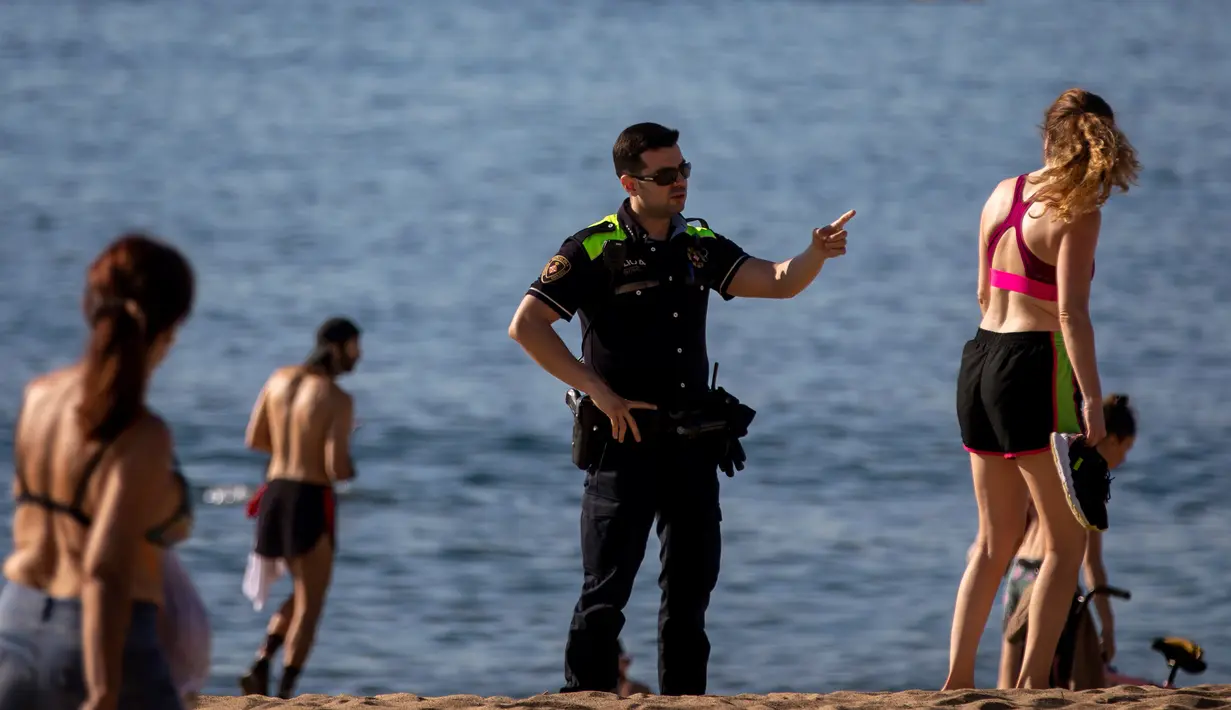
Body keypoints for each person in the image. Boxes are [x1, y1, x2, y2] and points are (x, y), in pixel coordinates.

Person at [508, 121, 855, 695]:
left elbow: (775, 281)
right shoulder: (592, 247)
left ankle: (685, 703)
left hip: (693, 444)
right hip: (623, 443)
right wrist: (596, 388)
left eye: (684, 170)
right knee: (605, 596)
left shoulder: (698, 240)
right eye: (665, 175)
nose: (680, 183)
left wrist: (814, 253)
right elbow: (528, 326)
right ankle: (585, 701)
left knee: (690, 598)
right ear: (630, 181)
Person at [946, 88, 1140, 690]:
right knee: (1066, 541)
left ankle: (955, 682)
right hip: (1034, 364)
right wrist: (1089, 401)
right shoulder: (1079, 211)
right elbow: (1072, 316)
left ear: (1047, 136)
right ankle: (1030, 687)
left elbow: (982, 293)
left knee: (992, 539)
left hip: (978, 361)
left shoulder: (1001, 193)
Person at [0, 233, 196, 710]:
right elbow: (105, 568)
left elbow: (25, 503)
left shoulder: (39, 396)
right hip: (101, 644)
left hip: (15, 622)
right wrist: (103, 688)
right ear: (168, 331)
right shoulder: (143, 435)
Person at [238, 317, 361, 699]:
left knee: (302, 590)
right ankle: (285, 691)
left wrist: (293, 446)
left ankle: (262, 661)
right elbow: (335, 468)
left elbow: (255, 439)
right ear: (339, 347)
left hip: (274, 493)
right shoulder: (337, 398)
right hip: (310, 497)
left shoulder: (278, 379)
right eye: (356, 347)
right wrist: (350, 461)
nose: (358, 357)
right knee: (312, 601)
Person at [997, 394, 1137, 689]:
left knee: (1008, 680)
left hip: (1019, 572)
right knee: (1068, 675)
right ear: (1112, 439)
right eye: (1126, 448)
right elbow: (1092, 563)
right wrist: (1108, 627)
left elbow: (1021, 520)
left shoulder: (1060, 464)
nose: (1124, 459)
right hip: (1051, 575)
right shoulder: (1090, 481)